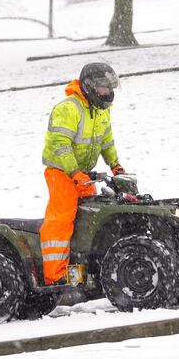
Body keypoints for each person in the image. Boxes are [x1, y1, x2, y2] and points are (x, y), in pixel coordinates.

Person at [40, 62, 126, 286]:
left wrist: (115, 165)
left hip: (84, 173)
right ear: (89, 87)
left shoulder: (100, 111)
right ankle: (55, 276)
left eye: (111, 88)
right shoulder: (68, 109)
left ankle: (82, 271)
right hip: (61, 171)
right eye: (104, 88)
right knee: (62, 218)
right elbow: (61, 145)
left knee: (90, 218)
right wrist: (74, 171)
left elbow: (106, 141)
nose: (109, 93)